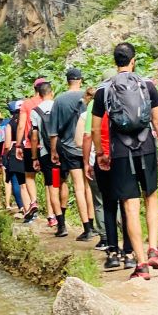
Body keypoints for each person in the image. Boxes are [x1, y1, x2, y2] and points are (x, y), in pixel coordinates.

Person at [92, 42, 158, 280]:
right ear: (133, 60)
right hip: (146, 147)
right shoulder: (147, 85)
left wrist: (101, 154)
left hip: (119, 151)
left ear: (115, 62)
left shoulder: (103, 90)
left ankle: (141, 264)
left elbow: (96, 129)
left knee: (130, 205)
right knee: (151, 196)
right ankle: (154, 249)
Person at [84, 75, 135, 271]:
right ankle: (129, 254)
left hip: (104, 160)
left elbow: (92, 133)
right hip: (124, 158)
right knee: (127, 206)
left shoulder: (99, 106)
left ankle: (113, 253)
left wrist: (96, 157)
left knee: (109, 205)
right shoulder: (127, 103)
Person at [49, 67, 97, 242]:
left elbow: (53, 132)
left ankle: (86, 228)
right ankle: (92, 224)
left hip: (68, 149)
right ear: (81, 80)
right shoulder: (89, 97)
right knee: (87, 186)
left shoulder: (59, 100)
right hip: (87, 147)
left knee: (76, 186)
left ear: (67, 81)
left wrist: (54, 151)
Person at [30, 82, 65, 232]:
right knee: (62, 183)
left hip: (46, 154)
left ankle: (60, 223)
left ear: (39, 94)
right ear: (51, 92)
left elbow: (34, 137)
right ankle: (63, 215)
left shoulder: (35, 111)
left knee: (52, 186)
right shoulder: (59, 106)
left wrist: (34, 157)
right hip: (63, 151)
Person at [15, 77, 48, 223]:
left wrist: (18, 145)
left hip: (30, 145)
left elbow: (21, 126)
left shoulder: (27, 104)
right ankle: (52, 215)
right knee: (50, 182)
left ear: (34, 89)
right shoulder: (49, 103)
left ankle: (33, 202)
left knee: (29, 177)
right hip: (47, 145)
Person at [81, 87, 107, 251]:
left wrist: (86, 162)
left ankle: (104, 237)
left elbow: (87, 135)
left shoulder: (93, 106)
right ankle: (125, 235)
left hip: (97, 157)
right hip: (119, 155)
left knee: (99, 200)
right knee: (118, 199)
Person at [4, 100, 26, 214]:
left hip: (14, 154)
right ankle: (31, 204)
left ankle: (22, 206)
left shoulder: (10, 123)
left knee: (16, 181)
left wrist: (5, 155)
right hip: (27, 151)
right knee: (27, 181)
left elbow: (7, 144)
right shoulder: (29, 121)